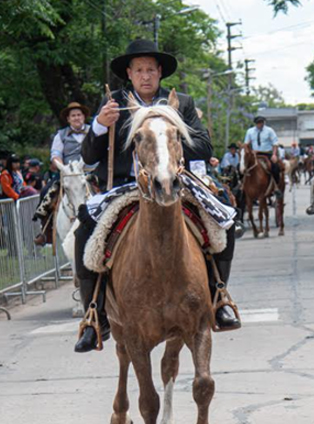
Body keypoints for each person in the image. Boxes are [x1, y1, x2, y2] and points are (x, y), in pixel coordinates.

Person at [73, 39, 240, 354]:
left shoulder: (180, 103)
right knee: (85, 231)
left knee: (224, 219)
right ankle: (95, 316)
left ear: (160, 71)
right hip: (127, 186)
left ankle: (218, 298)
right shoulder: (113, 103)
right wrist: (99, 126)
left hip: (176, 181)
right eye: (139, 70)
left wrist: (169, 135)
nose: (145, 76)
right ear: (129, 73)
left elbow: (204, 146)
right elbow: (89, 156)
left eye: (151, 69)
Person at [32, 102, 93, 245]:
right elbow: (55, 154)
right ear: (68, 119)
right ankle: (46, 231)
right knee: (47, 191)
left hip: (90, 172)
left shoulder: (93, 131)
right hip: (69, 173)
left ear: (84, 117)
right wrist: (62, 167)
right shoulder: (60, 135)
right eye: (73, 116)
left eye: (79, 115)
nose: (76, 118)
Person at [244, 115, 281, 184]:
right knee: (242, 166)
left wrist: (274, 154)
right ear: (255, 123)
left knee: (275, 167)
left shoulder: (269, 130)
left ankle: (276, 185)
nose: (260, 124)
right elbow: (246, 144)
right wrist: (248, 152)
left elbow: (275, 143)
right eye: (258, 122)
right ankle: (241, 185)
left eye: (262, 122)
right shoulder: (250, 131)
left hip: (266, 153)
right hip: (255, 154)